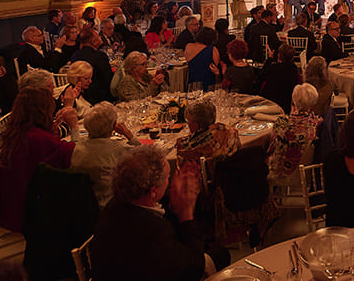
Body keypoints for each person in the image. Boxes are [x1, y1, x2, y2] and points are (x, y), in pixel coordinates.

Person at [91, 145, 208, 281]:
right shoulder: (153, 230)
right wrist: (186, 214)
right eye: (168, 178)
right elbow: (194, 270)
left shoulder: (114, 205)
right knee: (221, 255)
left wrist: (173, 202)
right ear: (153, 191)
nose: (169, 183)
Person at [0, 87, 77, 232]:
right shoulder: (36, 138)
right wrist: (74, 127)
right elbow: (75, 156)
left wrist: (52, 129)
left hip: (10, 204)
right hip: (29, 213)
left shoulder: (17, 131)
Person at [70, 102, 140, 206]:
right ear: (113, 126)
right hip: (108, 205)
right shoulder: (116, 148)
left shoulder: (78, 146)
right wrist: (128, 134)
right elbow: (145, 154)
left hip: (79, 204)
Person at [267, 83, 322, 179]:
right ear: (313, 103)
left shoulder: (281, 122)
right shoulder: (318, 122)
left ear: (294, 100)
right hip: (307, 173)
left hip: (279, 172)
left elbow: (270, 149)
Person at [174, 98, 240, 165]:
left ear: (195, 126)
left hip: (204, 173)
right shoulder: (230, 131)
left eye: (188, 121)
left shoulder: (187, 148)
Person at [71, 28, 115, 105]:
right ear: (93, 42)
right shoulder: (99, 56)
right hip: (100, 96)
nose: (100, 37)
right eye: (98, 36)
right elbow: (108, 79)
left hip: (81, 95)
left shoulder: (75, 55)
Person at [259, 44, 300, 114]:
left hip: (270, 102)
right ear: (293, 57)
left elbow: (261, 76)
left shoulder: (274, 67)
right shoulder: (294, 69)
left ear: (279, 55)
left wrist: (270, 59)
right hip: (286, 103)